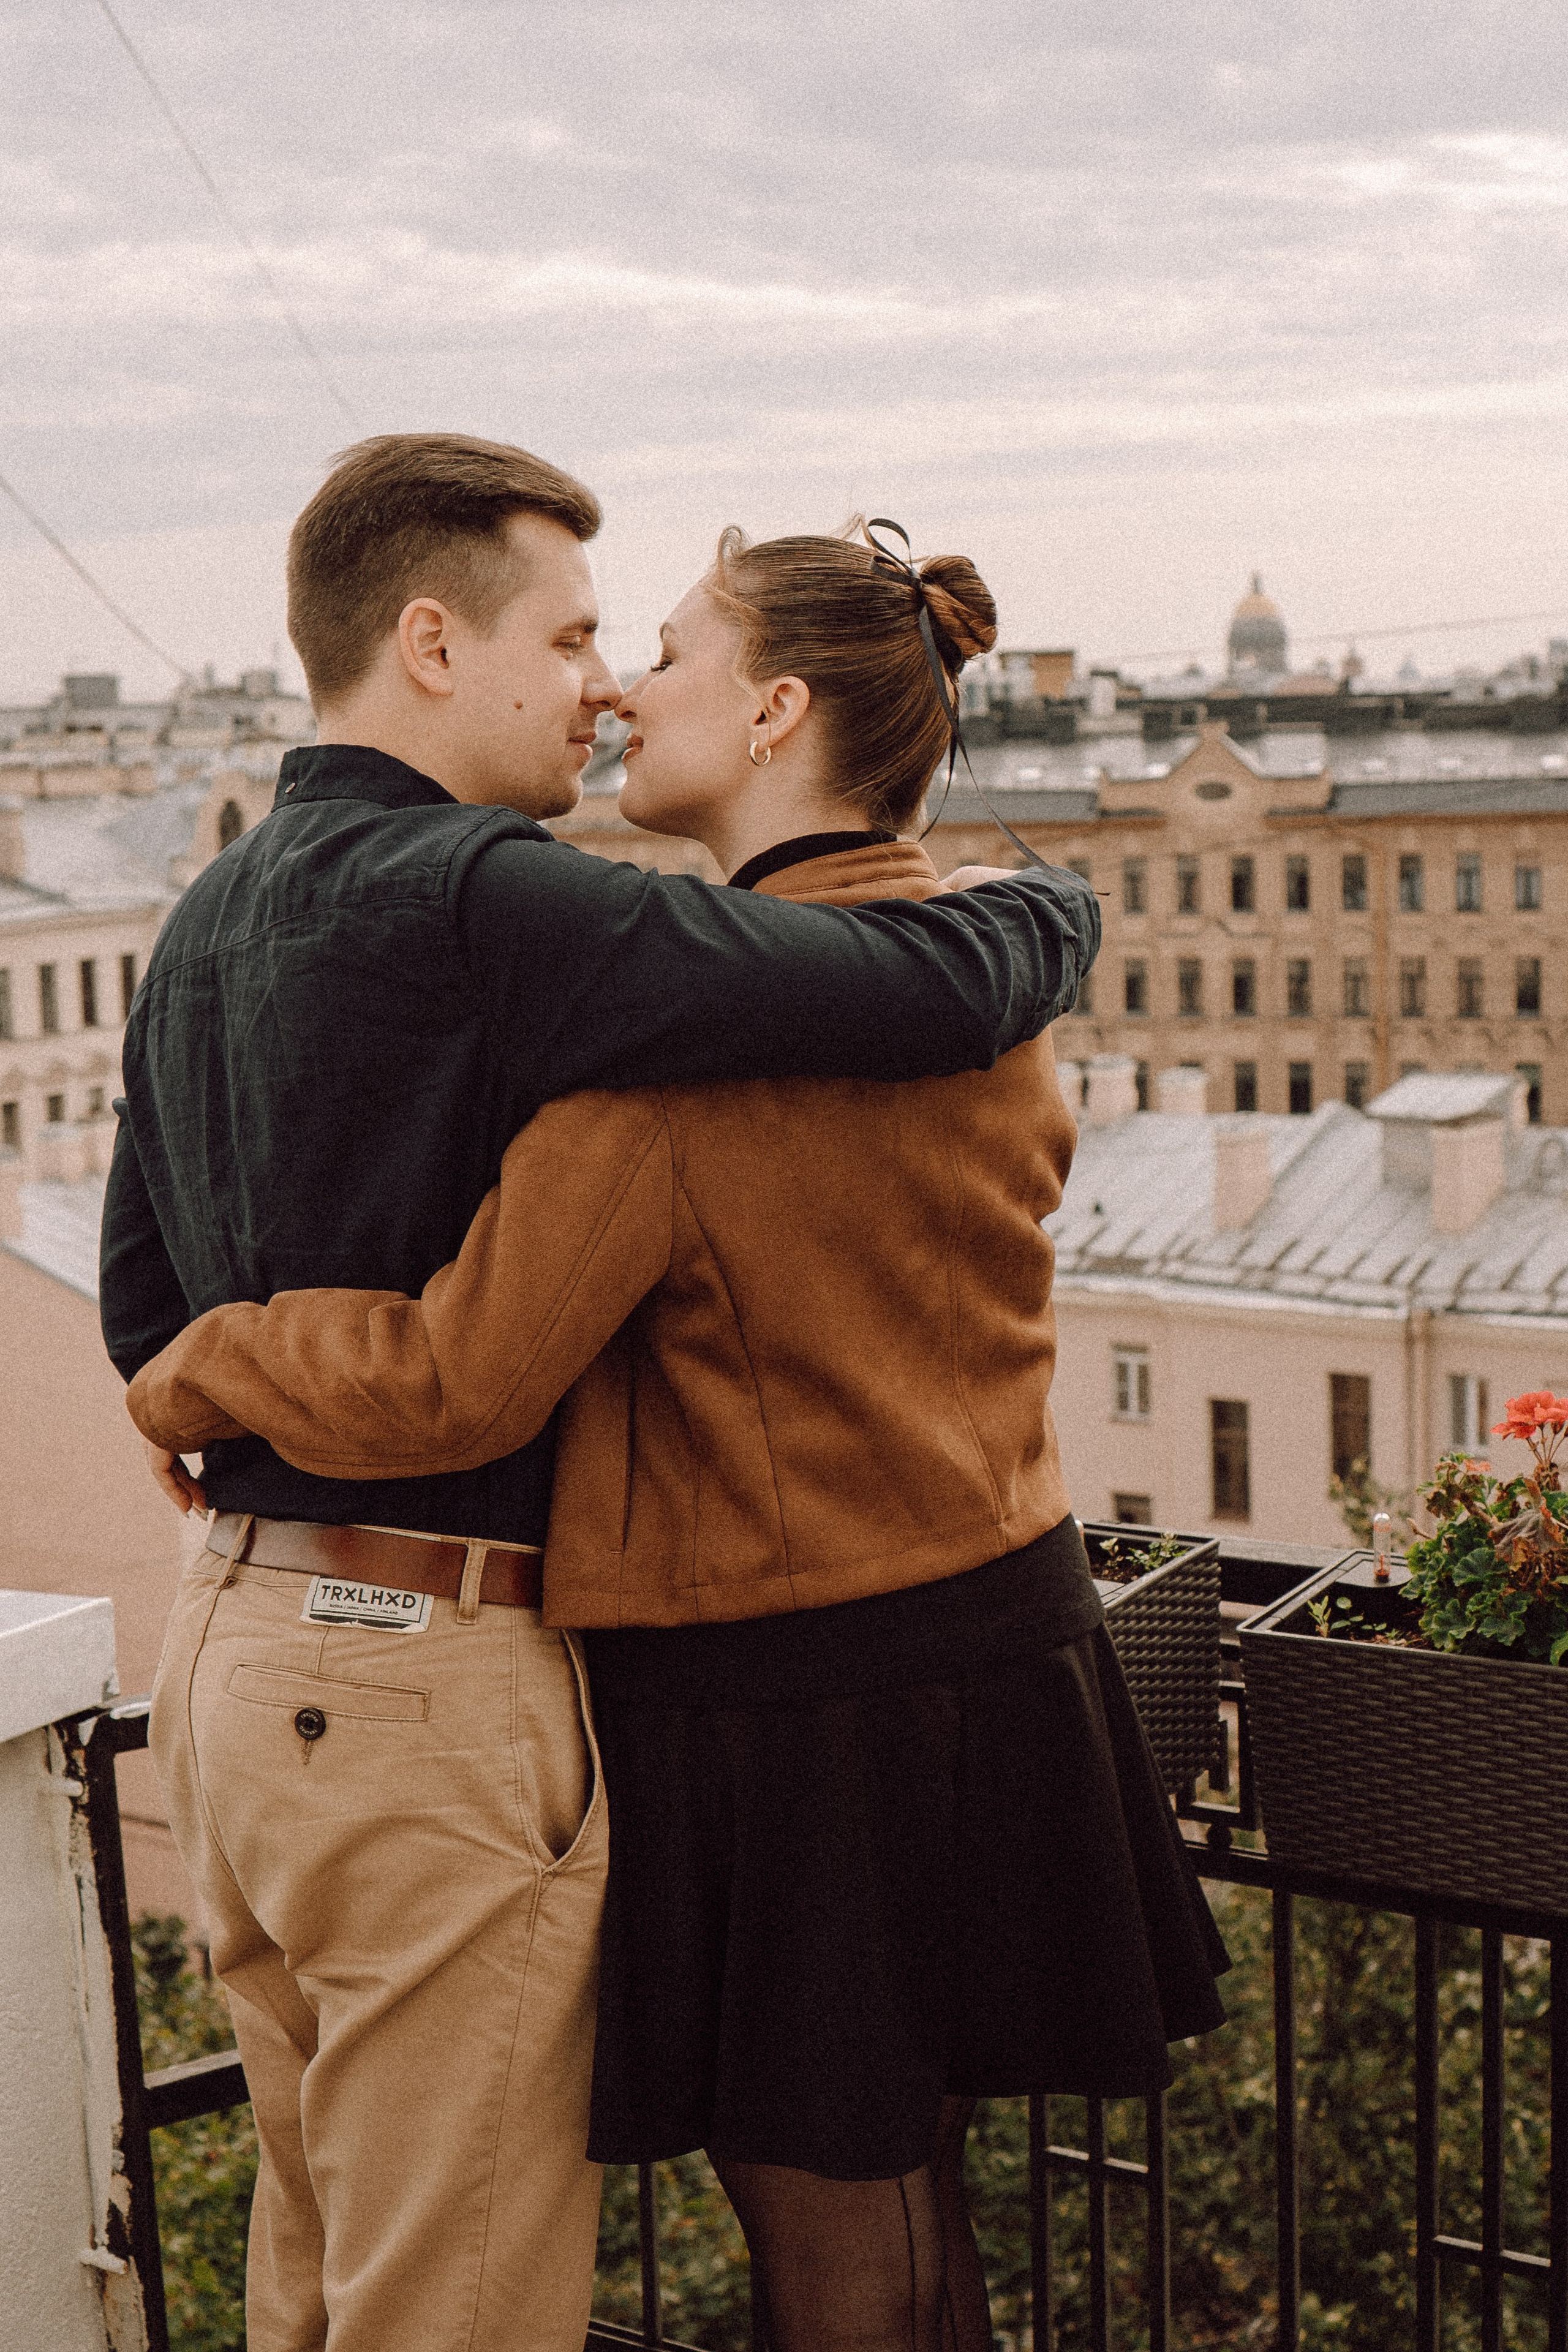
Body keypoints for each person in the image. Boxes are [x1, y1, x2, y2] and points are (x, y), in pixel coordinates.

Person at [127, 519, 1222, 2352]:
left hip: (790, 1696)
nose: (627, 683)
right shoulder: (976, 983)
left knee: (831, 2248)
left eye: (668, 650)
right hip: (1008, 1642)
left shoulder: (676, 1057)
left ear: (780, 706)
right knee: (916, 2205)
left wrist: (205, 1366)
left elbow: (456, 1383)